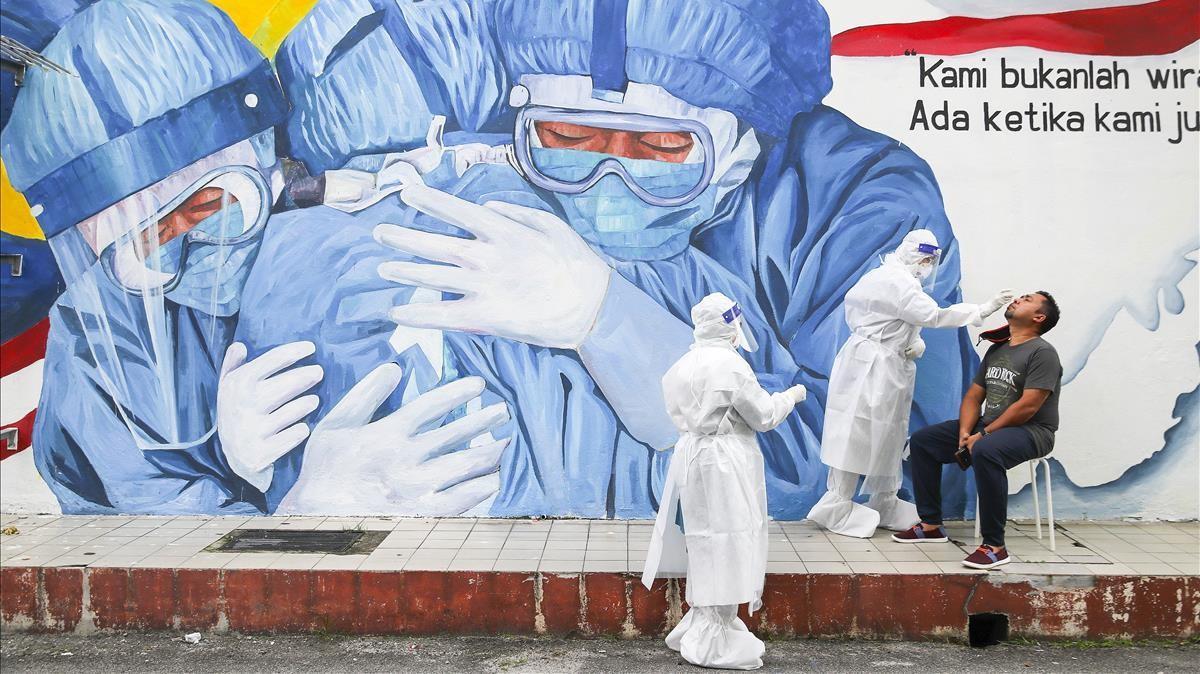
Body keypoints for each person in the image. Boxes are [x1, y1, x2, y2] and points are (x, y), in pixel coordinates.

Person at [238, 0, 979, 519]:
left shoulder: (863, 207)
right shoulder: (499, 182)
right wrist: (297, 488)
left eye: (659, 150)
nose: (606, 186)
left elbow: (889, 477)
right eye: (567, 141)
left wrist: (608, 320)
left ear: (742, 144)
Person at [0, 0, 324, 514]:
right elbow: (137, 531)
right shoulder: (93, 342)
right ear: (91, 242)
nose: (187, 258)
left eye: (208, 208)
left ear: (263, 156)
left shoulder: (350, 250)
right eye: (147, 244)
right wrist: (300, 504)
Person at [808, 230, 1014, 537]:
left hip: (882, 363)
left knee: (888, 432)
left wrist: (910, 339)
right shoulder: (896, 282)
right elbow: (932, 315)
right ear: (914, 255)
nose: (929, 266)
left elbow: (888, 318)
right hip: (873, 367)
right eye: (927, 259)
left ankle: (885, 500)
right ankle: (837, 505)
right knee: (856, 432)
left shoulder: (886, 277)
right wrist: (981, 310)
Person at [642, 293, 806, 670]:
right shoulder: (732, 368)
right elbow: (763, 416)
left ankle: (706, 620)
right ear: (731, 325)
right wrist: (791, 397)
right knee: (731, 538)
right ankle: (716, 635)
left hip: (692, 455)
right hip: (726, 460)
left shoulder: (681, 366)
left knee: (704, 539)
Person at [894, 292, 1063, 569]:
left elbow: (1029, 406)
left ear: (1039, 317)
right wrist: (964, 431)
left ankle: (995, 546)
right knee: (924, 441)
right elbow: (974, 396)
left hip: (1032, 431)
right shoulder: (998, 349)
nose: (1018, 299)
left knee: (986, 449)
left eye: (1027, 299)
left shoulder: (1042, 352)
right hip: (989, 427)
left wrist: (982, 435)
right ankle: (931, 525)